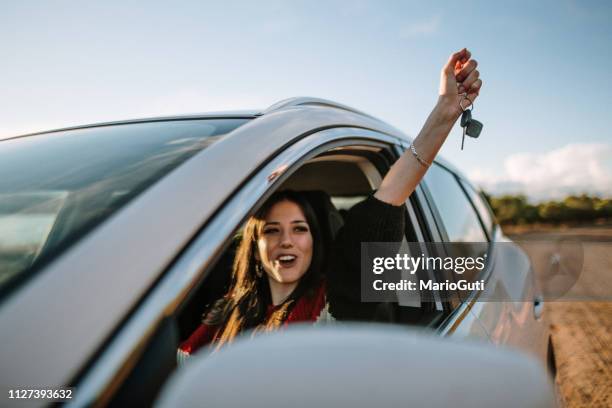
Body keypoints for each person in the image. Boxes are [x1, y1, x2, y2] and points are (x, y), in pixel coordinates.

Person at [178, 48, 482, 360]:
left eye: (299, 228)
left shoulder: (340, 299)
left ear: (314, 239)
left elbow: (390, 196)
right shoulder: (228, 309)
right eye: (271, 230)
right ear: (254, 246)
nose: (286, 241)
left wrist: (445, 112)